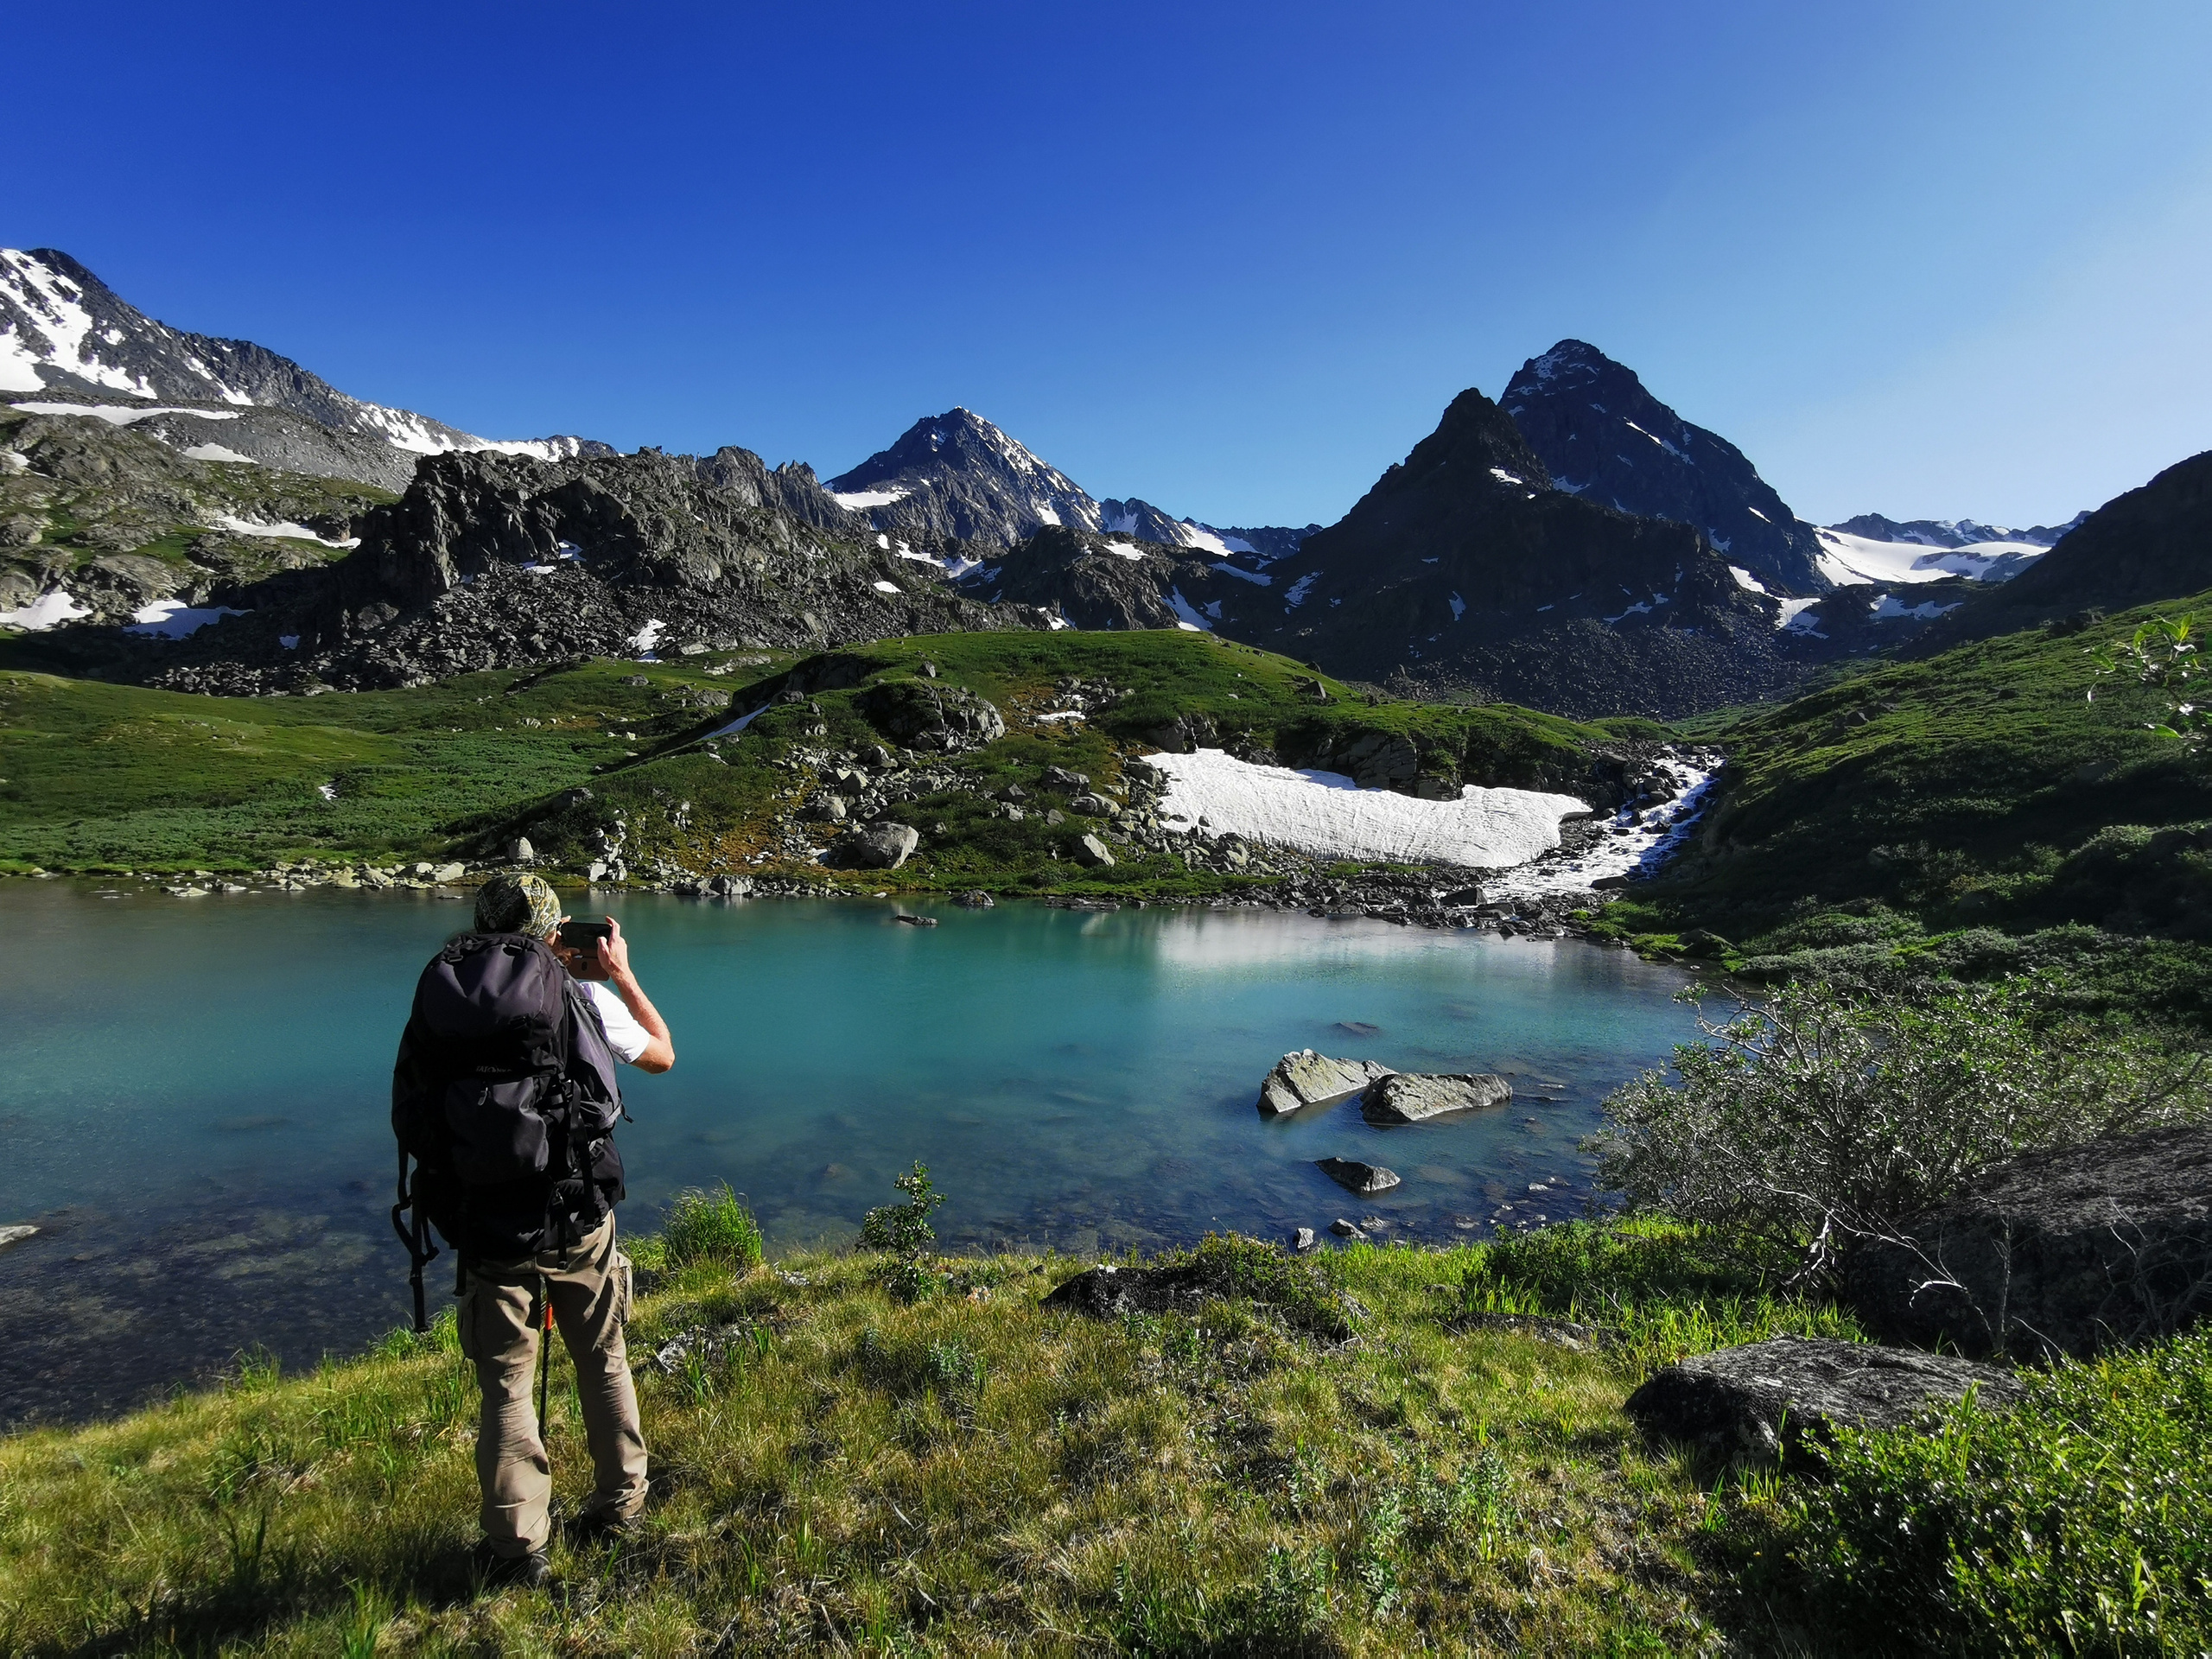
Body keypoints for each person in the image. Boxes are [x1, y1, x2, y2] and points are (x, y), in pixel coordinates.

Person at [391, 873, 675, 1588]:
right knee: (603, 1357)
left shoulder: (444, 1000)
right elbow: (662, 1054)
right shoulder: (580, 996)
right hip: (576, 1213)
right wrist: (621, 974)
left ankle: (518, 1549)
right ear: (553, 932)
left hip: (484, 1221)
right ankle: (621, 1506)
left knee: (507, 1385)